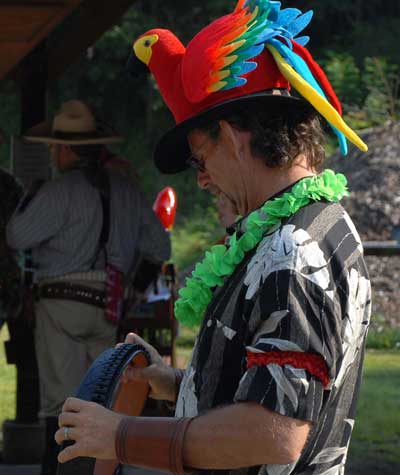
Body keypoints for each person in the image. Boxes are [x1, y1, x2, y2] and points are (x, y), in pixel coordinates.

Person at [55, 2, 371, 475]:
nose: (202, 181)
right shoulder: (323, 225)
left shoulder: (291, 249)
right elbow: (279, 390)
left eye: (200, 159)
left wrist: (118, 435)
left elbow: (273, 432)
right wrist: (179, 382)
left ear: (231, 137)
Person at [6, 99, 171, 475]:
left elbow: (17, 236)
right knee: (101, 402)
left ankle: (59, 470)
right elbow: (159, 247)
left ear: (65, 150)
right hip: (109, 303)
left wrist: (32, 193)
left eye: (54, 147)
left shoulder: (58, 190)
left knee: (58, 405)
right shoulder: (127, 190)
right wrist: (132, 291)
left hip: (60, 302)